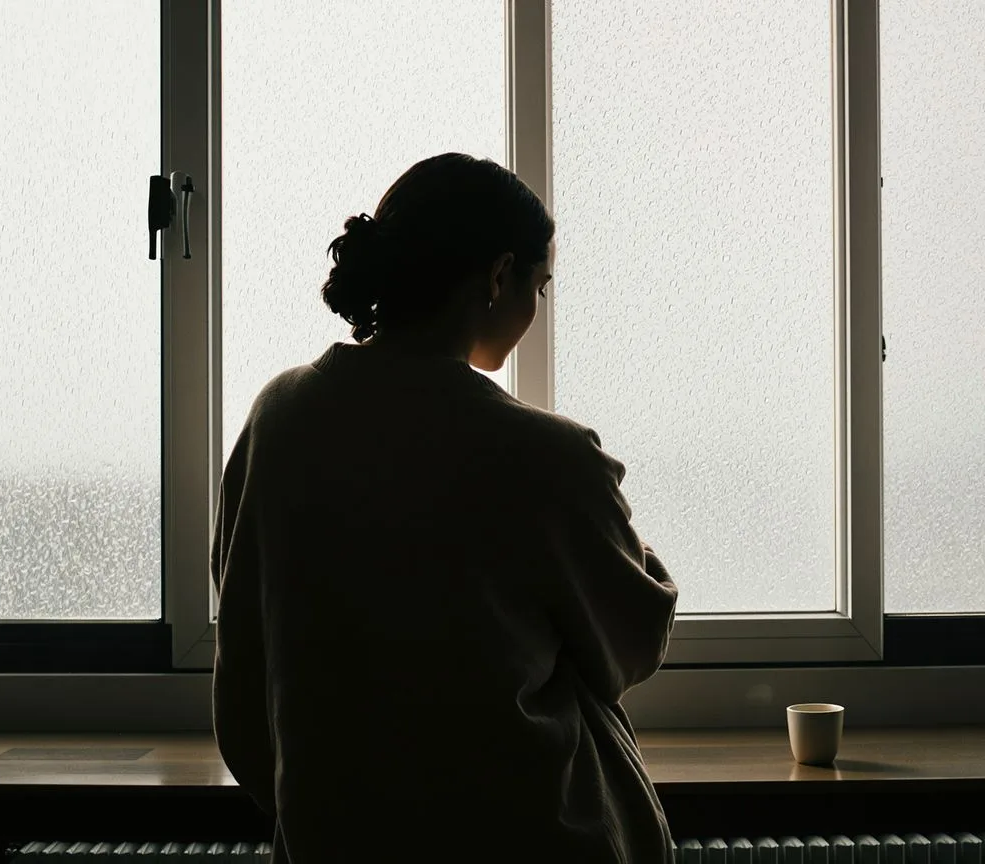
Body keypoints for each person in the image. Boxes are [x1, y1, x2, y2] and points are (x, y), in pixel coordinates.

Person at [211, 153, 678, 863]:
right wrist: (635, 557)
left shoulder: (278, 417)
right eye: (539, 286)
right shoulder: (544, 455)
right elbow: (631, 642)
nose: (535, 308)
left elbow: (248, 633)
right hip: (523, 839)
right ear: (497, 277)